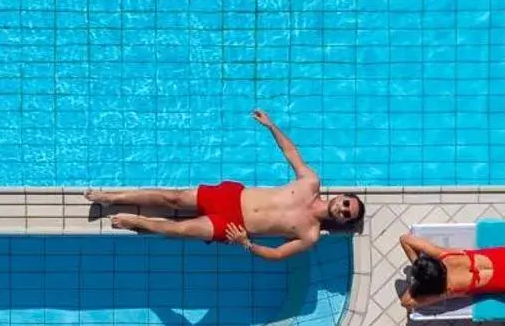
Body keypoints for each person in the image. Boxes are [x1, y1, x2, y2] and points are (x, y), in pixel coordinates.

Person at [88, 110, 364, 262]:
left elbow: (278, 254)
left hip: (235, 227)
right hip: (232, 197)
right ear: (341, 197)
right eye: (346, 203)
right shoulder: (310, 183)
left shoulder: (310, 234)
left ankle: (135, 220)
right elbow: (291, 153)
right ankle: (110, 196)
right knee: (171, 198)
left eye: (346, 214)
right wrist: (271, 126)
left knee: (180, 230)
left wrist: (246, 244)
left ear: (343, 219)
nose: (342, 209)